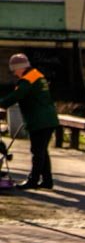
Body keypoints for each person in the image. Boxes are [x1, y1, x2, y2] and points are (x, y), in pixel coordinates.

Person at [0, 53, 59, 190]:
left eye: (14, 70)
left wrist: (1, 104)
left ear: (20, 68)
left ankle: (33, 180)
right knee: (42, 151)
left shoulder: (27, 80)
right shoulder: (37, 76)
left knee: (37, 151)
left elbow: (17, 96)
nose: (15, 74)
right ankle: (47, 181)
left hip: (40, 121)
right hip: (48, 119)